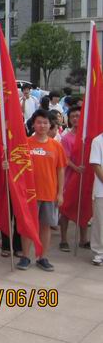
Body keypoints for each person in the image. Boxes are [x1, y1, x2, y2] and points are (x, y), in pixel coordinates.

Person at [18, 110, 66, 272]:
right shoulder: (25, 143)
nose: (42, 125)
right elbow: (17, 166)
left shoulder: (56, 146)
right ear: (33, 124)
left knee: (45, 226)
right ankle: (25, 256)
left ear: (50, 125)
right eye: (39, 122)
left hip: (49, 193)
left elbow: (61, 170)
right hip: (29, 194)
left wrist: (60, 193)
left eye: (45, 122)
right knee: (28, 226)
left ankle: (42, 257)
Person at [59, 106, 87, 251]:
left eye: (78, 116)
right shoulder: (66, 138)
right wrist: (76, 168)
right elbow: (65, 158)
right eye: (73, 116)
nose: (76, 119)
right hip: (70, 179)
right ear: (69, 119)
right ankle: (63, 239)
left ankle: (83, 239)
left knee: (83, 208)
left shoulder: (87, 137)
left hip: (84, 179)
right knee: (65, 209)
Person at [90, 130, 103, 265]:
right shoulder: (98, 141)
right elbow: (95, 164)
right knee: (100, 223)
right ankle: (99, 253)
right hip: (101, 190)